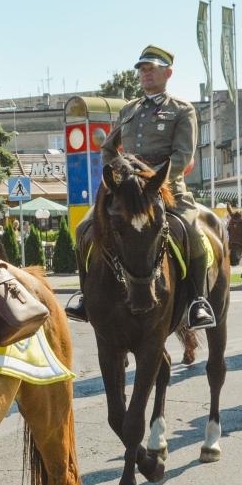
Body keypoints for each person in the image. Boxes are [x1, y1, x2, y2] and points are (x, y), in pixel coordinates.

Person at [97, 44, 215, 329]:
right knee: (87, 228)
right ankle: (88, 296)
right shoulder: (128, 109)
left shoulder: (181, 110)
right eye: (142, 69)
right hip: (128, 192)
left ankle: (198, 301)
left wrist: (151, 181)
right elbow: (108, 148)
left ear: (168, 73)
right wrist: (119, 175)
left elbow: (183, 155)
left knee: (192, 231)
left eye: (152, 69)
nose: (146, 74)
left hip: (167, 189)